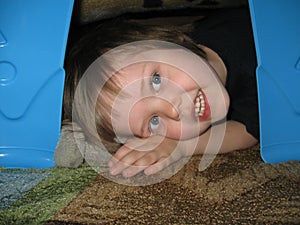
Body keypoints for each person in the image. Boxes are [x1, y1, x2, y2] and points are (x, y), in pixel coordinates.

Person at [58, 9, 259, 178]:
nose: (171, 109)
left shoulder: (250, 46)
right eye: (153, 121)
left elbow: (249, 132)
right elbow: (249, 126)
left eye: (156, 80)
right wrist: (175, 145)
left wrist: (183, 146)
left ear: (173, 40)